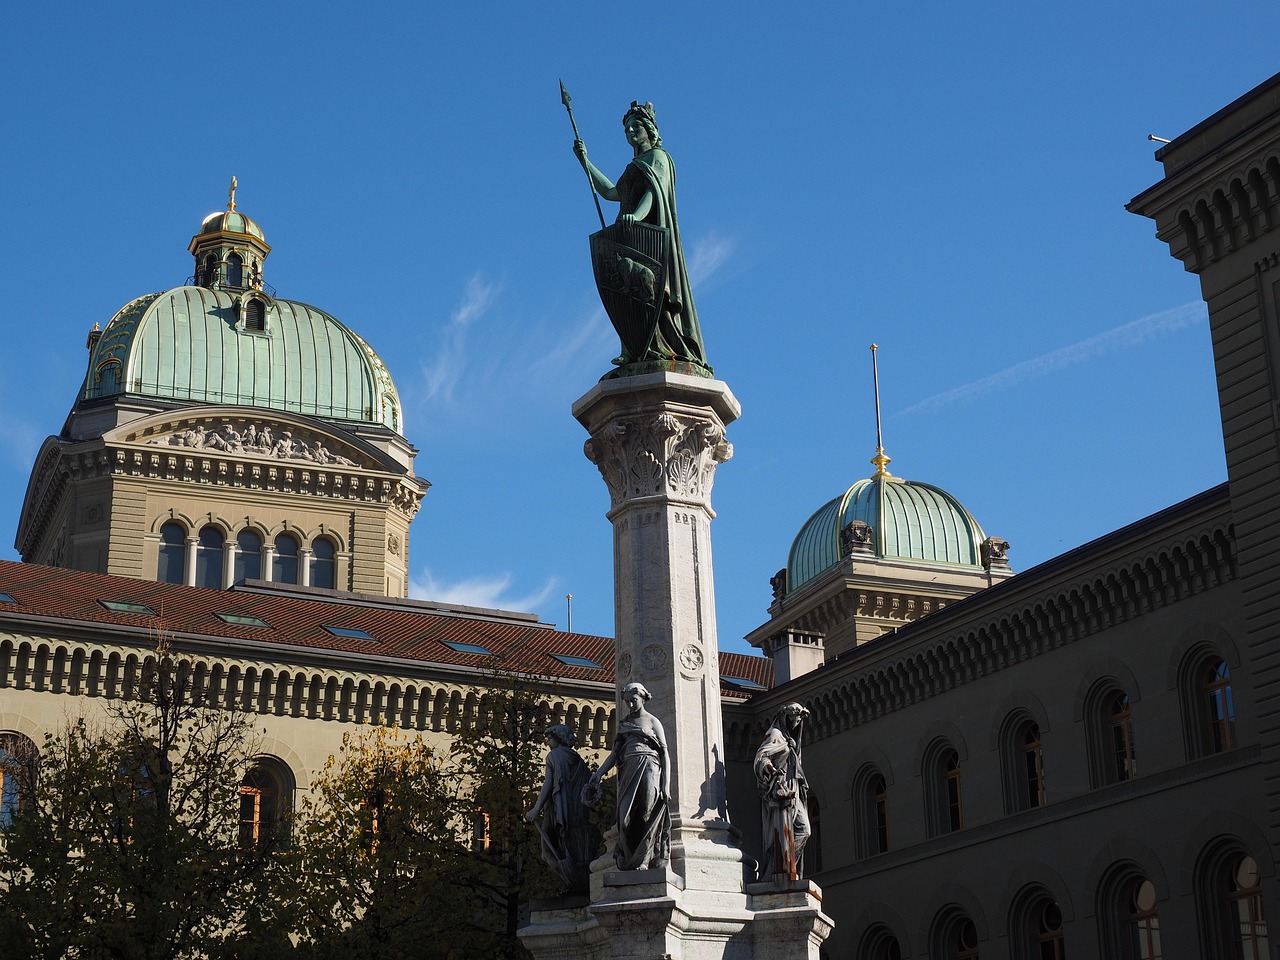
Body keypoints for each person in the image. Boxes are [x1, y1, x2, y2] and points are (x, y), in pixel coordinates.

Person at [574, 101, 710, 372]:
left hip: (648, 236)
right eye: (627, 128)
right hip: (630, 234)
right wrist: (585, 162)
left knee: (652, 292)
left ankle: (661, 346)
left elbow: (654, 192)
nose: (631, 130)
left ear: (649, 129)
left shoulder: (659, 158)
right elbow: (612, 193)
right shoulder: (633, 165)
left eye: (636, 125)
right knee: (629, 292)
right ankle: (634, 347)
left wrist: (636, 216)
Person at [586, 682, 671, 870]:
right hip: (628, 769)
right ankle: (629, 856)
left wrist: (666, 785)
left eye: (633, 701)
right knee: (624, 819)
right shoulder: (624, 724)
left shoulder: (652, 722)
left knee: (646, 814)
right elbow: (615, 754)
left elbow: (664, 752)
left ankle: (644, 860)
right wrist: (599, 774)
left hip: (649, 767)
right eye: (627, 702)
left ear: (642, 698)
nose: (631, 705)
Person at [525, 723, 598, 894]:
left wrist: (536, 808)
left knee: (547, 852)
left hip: (557, 812)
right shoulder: (578, 761)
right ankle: (574, 884)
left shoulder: (554, 756)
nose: (547, 743)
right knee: (571, 853)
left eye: (549, 738)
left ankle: (571, 883)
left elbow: (549, 784)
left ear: (559, 739)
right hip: (576, 817)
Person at [753, 702, 811, 880]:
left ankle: (788, 864)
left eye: (799, 720)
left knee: (804, 829)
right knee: (779, 834)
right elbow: (762, 757)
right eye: (795, 719)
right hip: (779, 789)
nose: (796, 723)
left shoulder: (789, 740)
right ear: (787, 717)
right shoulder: (775, 735)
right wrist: (772, 770)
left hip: (793, 790)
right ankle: (775, 870)